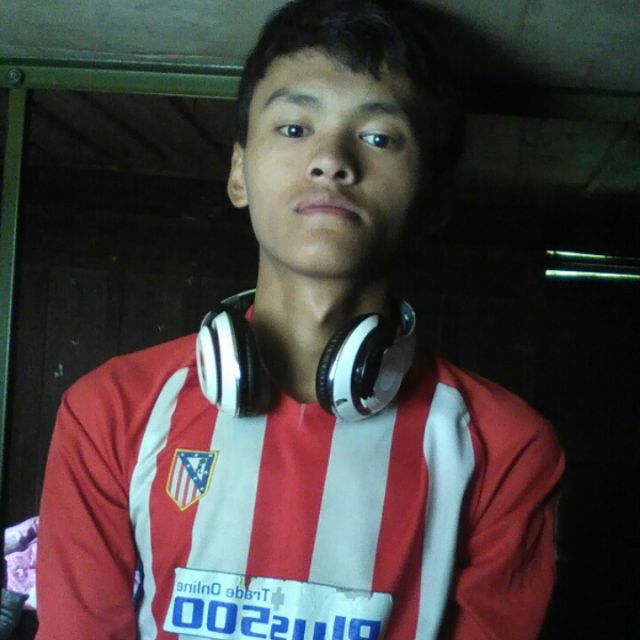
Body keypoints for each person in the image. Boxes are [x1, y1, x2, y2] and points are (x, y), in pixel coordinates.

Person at [35, 1, 564, 638]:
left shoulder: (508, 449)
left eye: (379, 137)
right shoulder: (109, 412)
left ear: (432, 197)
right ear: (238, 172)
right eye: (293, 128)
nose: (331, 160)